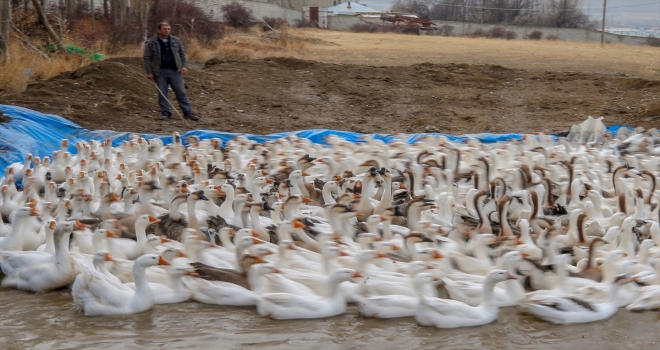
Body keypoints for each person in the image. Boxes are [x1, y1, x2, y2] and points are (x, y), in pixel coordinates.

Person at [143, 22, 199, 121]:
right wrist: (149, 72)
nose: (167, 30)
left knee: (181, 92)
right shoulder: (151, 42)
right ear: (158, 30)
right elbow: (147, 58)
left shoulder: (176, 40)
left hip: (175, 70)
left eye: (168, 29)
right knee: (162, 93)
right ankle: (165, 113)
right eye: (164, 29)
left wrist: (183, 66)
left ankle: (188, 112)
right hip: (159, 71)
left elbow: (182, 54)